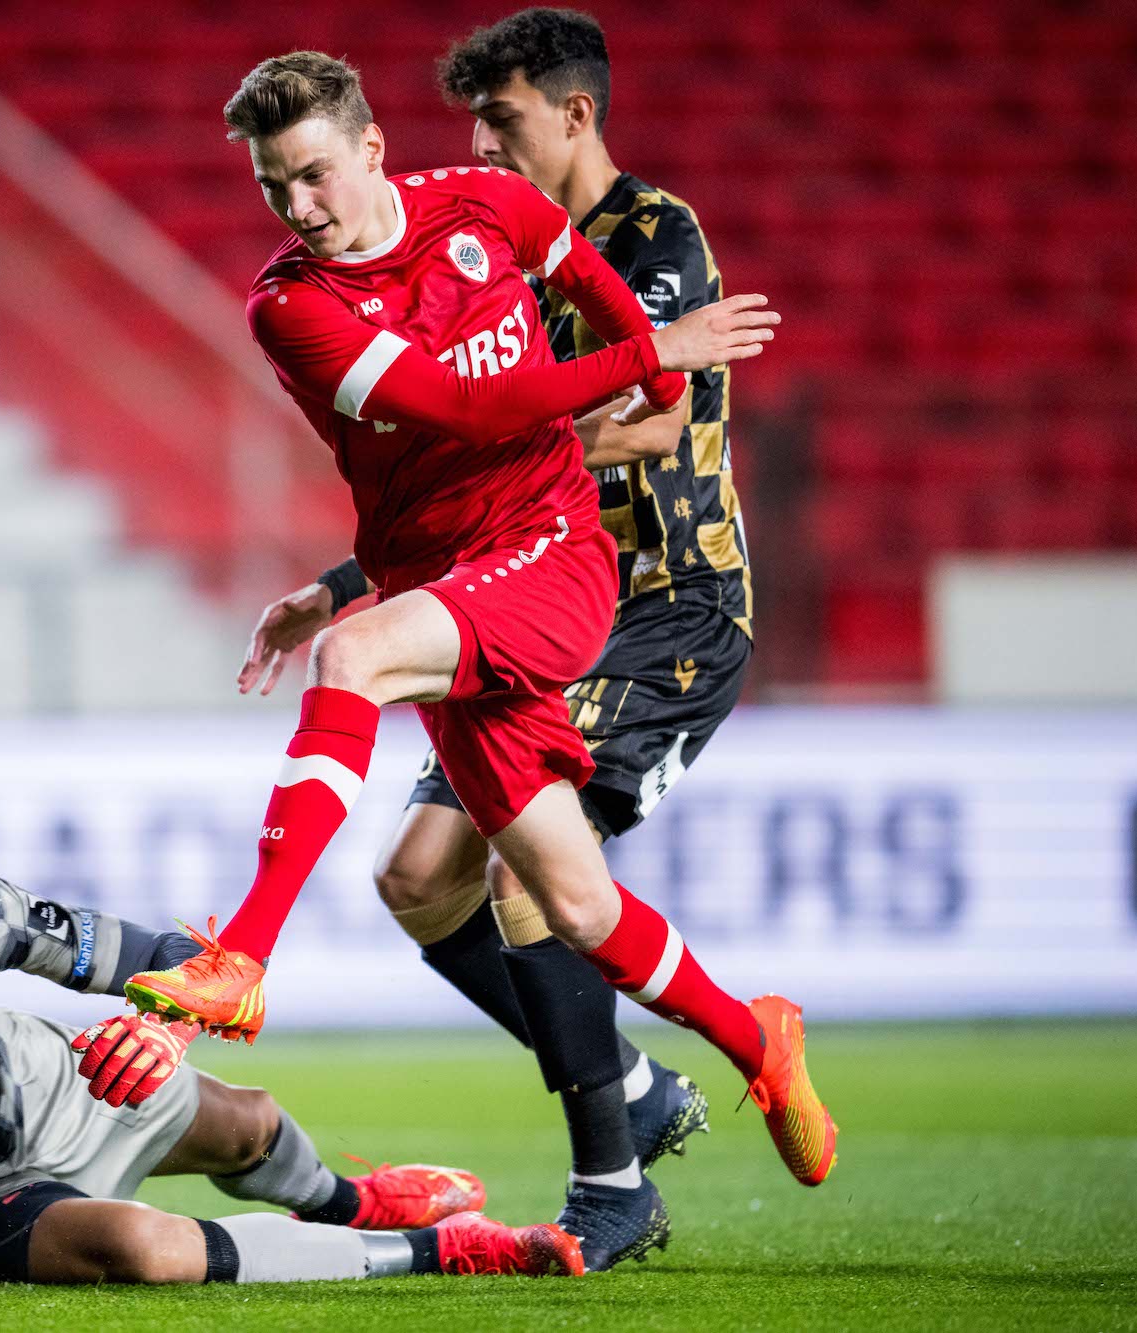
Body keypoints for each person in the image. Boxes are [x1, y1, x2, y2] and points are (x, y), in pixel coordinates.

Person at [107, 50, 836, 1194]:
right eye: (272, 189)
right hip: (445, 585)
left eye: (311, 176)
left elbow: (599, 304)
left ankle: (238, 954)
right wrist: (652, 359)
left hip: (552, 558)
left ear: (369, 150)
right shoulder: (288, 306)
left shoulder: (487, 207)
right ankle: (759, 1041)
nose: (300, 209)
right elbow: (460, 408)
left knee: (355, 659)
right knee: (573, 901)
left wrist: (650, 378)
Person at [233, 9, 751, 1267]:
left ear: (572, 116)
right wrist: (345, 577)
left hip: (653, 604)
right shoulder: (462, 230)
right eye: (470, 124)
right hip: (499, 588)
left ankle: (611, 1178)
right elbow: (466, 456)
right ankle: (627, 1079)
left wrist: (580, 385)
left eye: (502, 122)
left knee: (529, 878)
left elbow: (628, 423)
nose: (479, 147)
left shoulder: (652, 241)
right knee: (417, 880)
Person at [0, 777, 584, 1297]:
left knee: (251, 1123)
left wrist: (173, 1016)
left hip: (22, 1090)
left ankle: (347, 1201)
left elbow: (149, 954)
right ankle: (446, 1249)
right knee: (148, 1250)